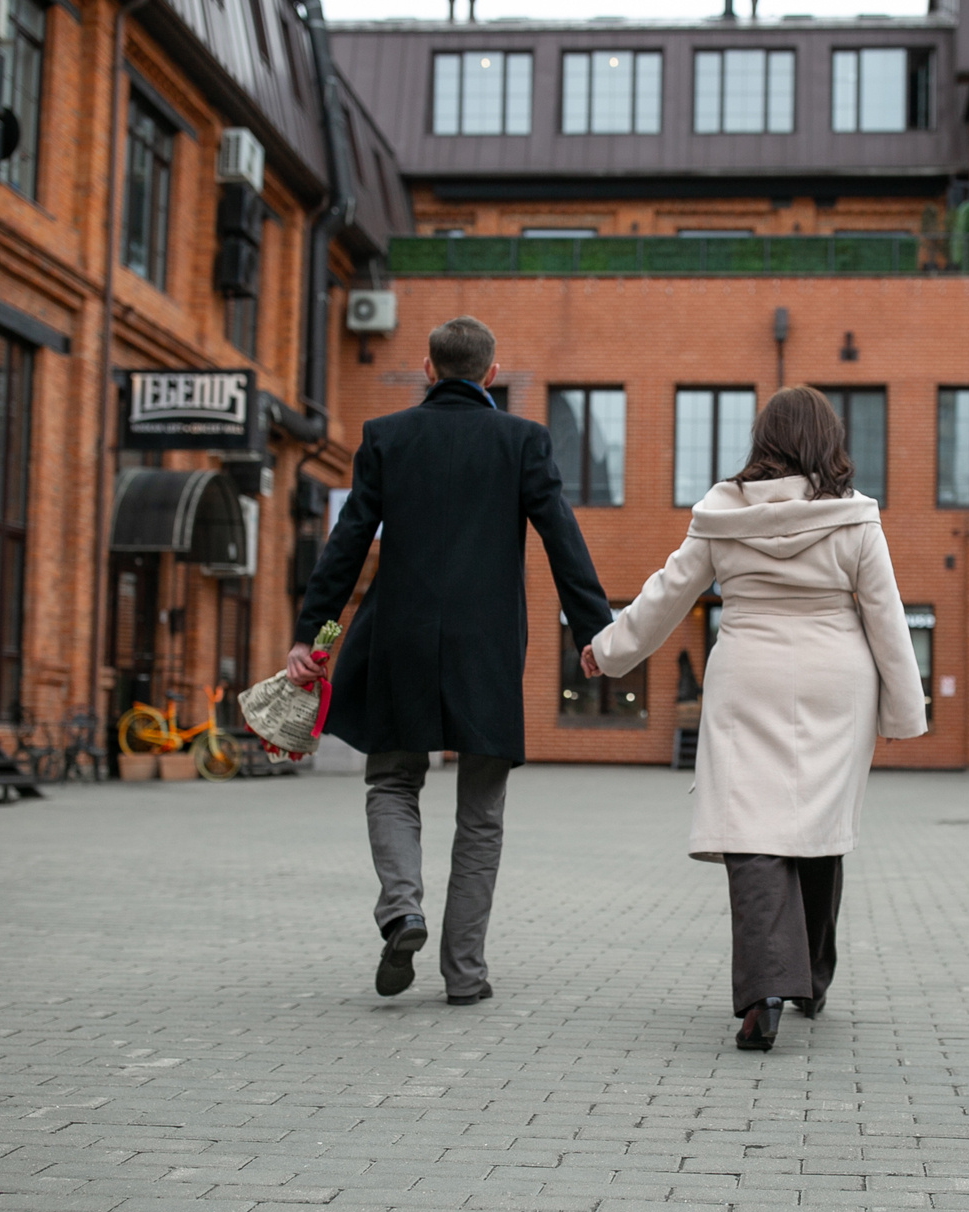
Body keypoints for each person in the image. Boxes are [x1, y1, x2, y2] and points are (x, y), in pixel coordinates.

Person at [582, 387, 927, 1051]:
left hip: (747, 671)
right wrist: (903, 710)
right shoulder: (853, 518)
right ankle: (813, 977)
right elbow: (885, 615)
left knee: (753, 829)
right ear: (828, 442)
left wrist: (607, 650)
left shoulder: (720, 513)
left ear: (763, 440)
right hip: (835, 678)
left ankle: (766, 991)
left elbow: (666, 595)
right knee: (819, 824)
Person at [287, 315, 612, 1006]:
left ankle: (403, 910)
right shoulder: (523, 441)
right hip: (486, 650)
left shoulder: (386, 437)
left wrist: (311, 640)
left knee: (392, 783)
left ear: (428, 369)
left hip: (398, 640)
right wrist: (596, 635)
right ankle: (465, 975)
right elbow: (564, 542)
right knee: (482, 815)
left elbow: (346, 545)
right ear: (491, 374)